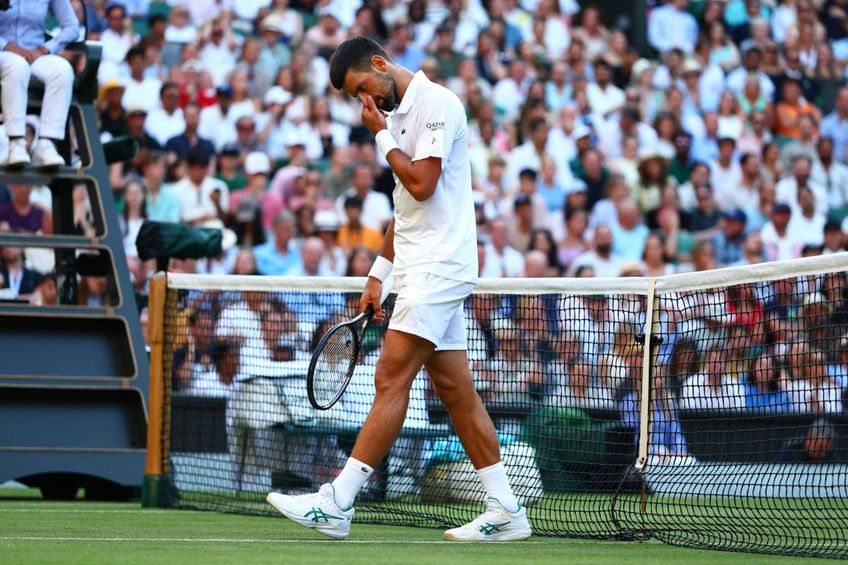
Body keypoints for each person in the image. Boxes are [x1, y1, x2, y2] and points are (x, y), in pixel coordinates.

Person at [266, 37, 531, 542]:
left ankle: (338, 502)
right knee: (455, 391)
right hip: (416, 268)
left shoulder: (438, 104)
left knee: (390, 377)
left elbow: (423, 184)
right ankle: (506, 509)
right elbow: (405, 210)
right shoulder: (396, 118)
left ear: (380, 64)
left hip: (439, 267)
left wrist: (381, 137)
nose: (365, 101)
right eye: (356, 97)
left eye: (364, 87)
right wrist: (377, 275)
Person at [0, 0, 79, 168]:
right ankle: (16, 143)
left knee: (62, 70)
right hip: (3, 54)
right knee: (17, 65)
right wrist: (7, 46)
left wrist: (45, 49)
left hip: (34, 54)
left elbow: (72, 27)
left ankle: (46, 143)